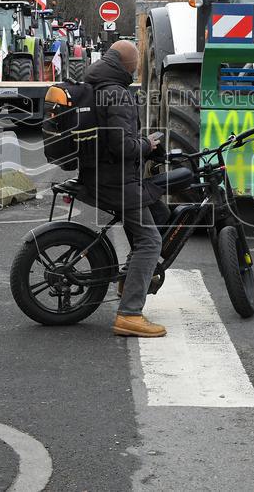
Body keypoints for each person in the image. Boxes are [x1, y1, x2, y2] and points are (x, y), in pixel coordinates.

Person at [80, 40, 168, 338]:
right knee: (150, 241)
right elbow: (122, 146)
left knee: (160, 210)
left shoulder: (98, 85)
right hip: (116, 180)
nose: (136, 69)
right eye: (136, 65)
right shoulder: (116, 93)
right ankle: (130, 314)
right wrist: (148, 144)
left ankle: (128, 279)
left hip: (102, 175)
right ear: (128, 66)